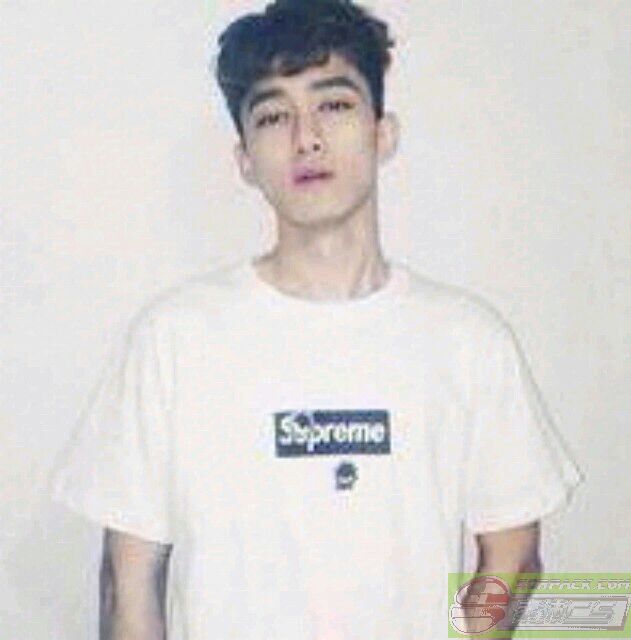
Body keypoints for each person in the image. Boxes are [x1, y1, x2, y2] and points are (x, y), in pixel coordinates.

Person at [49, 0, 583, 638]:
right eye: (274, 115)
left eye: (334, 104)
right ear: (245, 159)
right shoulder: (173, 340)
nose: (307, 138)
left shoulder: (469, 342)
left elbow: (513, 560)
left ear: (383, 134)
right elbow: (128, 582)